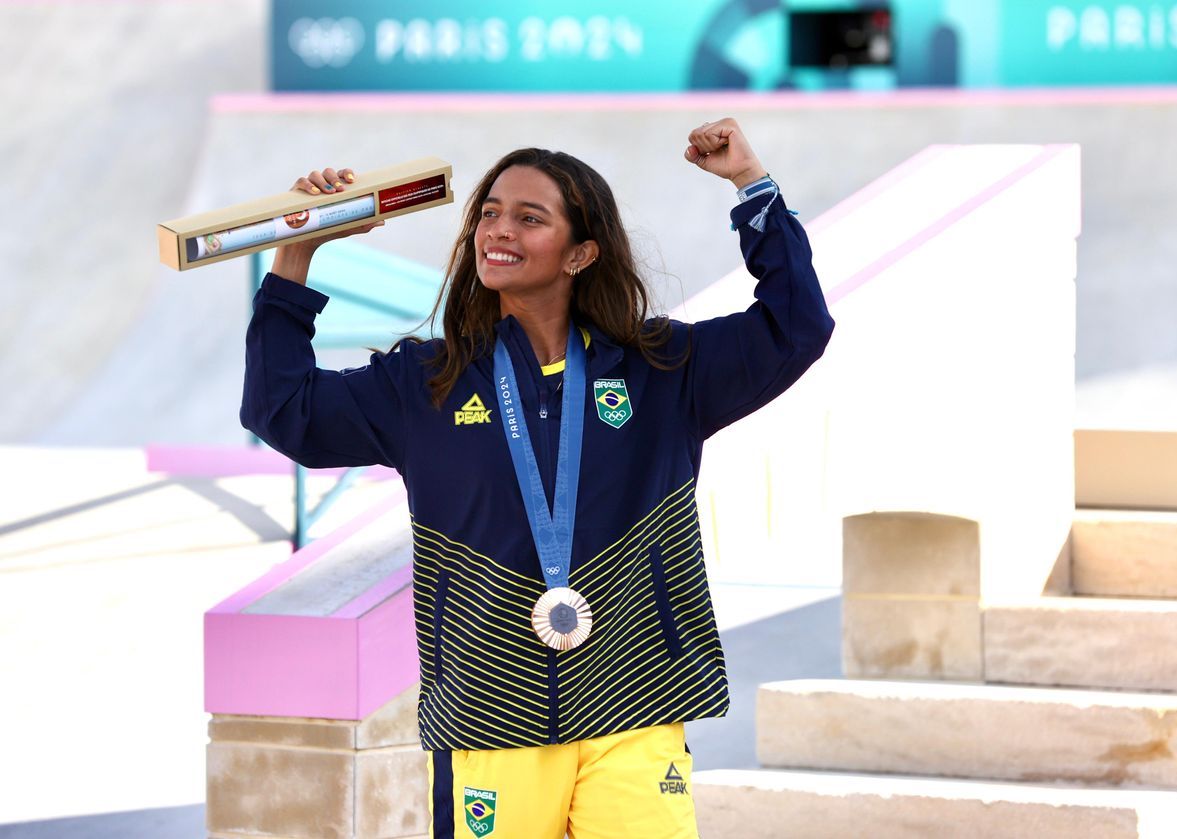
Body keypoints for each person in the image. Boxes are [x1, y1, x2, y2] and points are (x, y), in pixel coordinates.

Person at [241, 118, 834, 839]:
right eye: (490, 212)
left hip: (633, 704)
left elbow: (796, 326)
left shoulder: (661, 370)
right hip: (491, 718)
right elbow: (285, 410)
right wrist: (297, 254)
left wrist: (752, 187)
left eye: (530, 216)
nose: (500, 228)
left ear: (581, 251)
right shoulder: (427, 383)